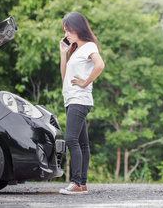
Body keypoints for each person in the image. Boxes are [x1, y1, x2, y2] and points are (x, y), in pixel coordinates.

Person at [58, 12, 105, 195]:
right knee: (82, 144)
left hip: (79, 100)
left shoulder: (89, 46)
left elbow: (100, 65)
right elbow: (65, 78)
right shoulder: (76, 50)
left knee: (70, 140)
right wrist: (63, 54)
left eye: (69, 30)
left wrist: (85, 82)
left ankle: (76, 182)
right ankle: (82, 184)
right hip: (72, 100)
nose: (66, 34)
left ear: (78, 28)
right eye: (65, 31)